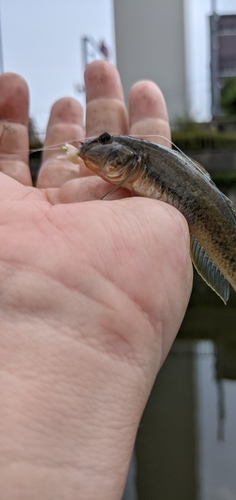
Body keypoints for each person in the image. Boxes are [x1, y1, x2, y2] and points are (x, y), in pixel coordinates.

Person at [0, 60, 192, 498]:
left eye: (105, 143)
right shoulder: (119, 162)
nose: (93, 145)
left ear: (130, 157)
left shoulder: (135, 159)